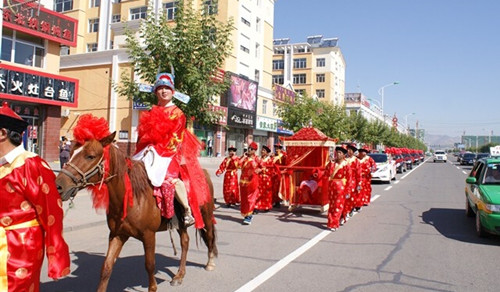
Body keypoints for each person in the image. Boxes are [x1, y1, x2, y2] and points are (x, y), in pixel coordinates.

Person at [0, 101, 70, 291]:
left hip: (20, 245)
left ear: (2, 133)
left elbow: (51, 213)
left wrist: (57, 258)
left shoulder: (32, 165)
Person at [133, 72, 211, 228]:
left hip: (169, 153)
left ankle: (187, 211)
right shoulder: (150, 111)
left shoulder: (178, 113)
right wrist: (145, 148)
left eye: (167, 88)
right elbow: (142, 135)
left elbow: (175, 139)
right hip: (149, 151)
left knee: (169, 180)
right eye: (160, 88)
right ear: (155, 91)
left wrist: (156, 149)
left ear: (173, 92)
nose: (163, 91)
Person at [324, 146, 351, 231]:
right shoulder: (332, 163)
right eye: (337, 152)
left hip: (341, 186)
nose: (338, 154)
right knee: (332, 205)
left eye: (340, 153)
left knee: (337, 205)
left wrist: (348, 190)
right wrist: (329, 164)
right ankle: (333, 220)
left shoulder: (346, 164)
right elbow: (326, 173)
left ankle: (334, 224)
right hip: (331, 186)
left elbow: (349, 179)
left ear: (343, 155)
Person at [239, 142, 261, 225]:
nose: (249, 150)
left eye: (251, 149)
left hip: (253, 181)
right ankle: (246, 215)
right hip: (243, 182)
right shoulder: (245, 158)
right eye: (249, 148)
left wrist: (260, 170)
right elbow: (238, 165)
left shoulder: (257, 159)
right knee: (244, 199)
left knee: (250, 199)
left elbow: (263, 167)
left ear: (255, 150)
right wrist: (243, 157)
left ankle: (249, 216)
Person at [344, 144, 361, 220]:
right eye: (348, 150)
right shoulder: (344, 159)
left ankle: (350, 209)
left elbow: (358, 173)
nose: (348, 151)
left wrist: (359, 183)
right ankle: (344, 211)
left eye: (350, 150)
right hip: (344, 181)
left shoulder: (356, 161)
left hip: (353, 181)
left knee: (351, 196)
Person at [255, 145, 274, 212]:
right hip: (259, 178)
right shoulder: (258, 159)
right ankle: (256, 207)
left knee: (266, 193)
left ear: (267, 153)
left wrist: (262, 170)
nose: (262, 151)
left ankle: (266, 206)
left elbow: (271, 170)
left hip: (267, 178)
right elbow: (255, 166)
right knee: (257, 192)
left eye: (264, 150)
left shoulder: (270, 160)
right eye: (262, 150)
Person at [272, 142, 287, 208]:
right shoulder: (273, 156)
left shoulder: (283, 156)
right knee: (273, 188)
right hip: (273, 173)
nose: (276, 149)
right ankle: (274, 201)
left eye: (278, 148)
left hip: (279, 173)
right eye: (276, 148)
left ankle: (278, 201)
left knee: (278, 188)